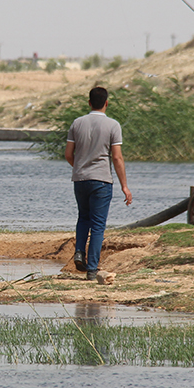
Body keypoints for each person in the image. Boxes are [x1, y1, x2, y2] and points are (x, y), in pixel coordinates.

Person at [65, 86, 132, 281]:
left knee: (83, 218)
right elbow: (117, 158)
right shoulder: (113, 125)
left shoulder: (77, 123)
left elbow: (68, 154)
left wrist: (80, 168)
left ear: (89, 103)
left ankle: (79, 252)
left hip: (80, 179)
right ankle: (92, 269)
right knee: (98, 225)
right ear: (106, 103)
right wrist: (124, 186)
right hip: (102, 181)